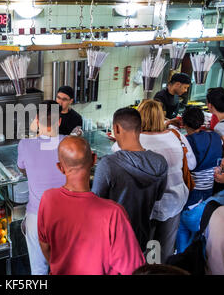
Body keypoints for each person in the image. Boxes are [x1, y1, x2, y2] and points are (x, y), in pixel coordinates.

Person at [38, 136, 145, 275]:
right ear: (94, 160)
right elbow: (134, 269)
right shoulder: (113, 213)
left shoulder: (48, 199)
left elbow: (45, 245)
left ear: (60, 168)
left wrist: (58, 267)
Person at [126, 99, 196, 263]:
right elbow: (191, 164)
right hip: (174, 201)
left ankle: (148, 269)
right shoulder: (176, 135)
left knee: (144, 246)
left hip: (145, 204)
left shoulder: (133, 139)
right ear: (161, 116)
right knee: (164, 246)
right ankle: (159, 269)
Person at [92, 107, 168, 252]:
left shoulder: (108, 164)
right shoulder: (160, 162)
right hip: (142, 237)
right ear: (140, 129)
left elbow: (95, 203)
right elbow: (158, 196)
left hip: (113, 239)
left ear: (116, 128)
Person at [17, 100, 66, 275]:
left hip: (37, 216)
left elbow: (22, 168)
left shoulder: (25, 144)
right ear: (59, 121)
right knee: (65, 266)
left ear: (37, 120)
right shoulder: (70, 143)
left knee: (38, 269)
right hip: (66, 216)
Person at [181, 107, 223, 207]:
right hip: (211, 186)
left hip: (194, 187)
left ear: (184, 124)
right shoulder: (215, 136)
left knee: (189, 215)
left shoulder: (186, 142)